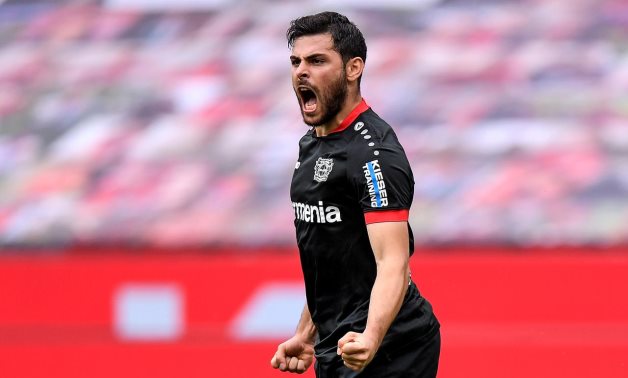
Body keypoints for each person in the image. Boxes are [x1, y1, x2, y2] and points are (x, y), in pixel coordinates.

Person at [271, 11, 440, 378]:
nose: (302, 71)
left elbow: (393, 263)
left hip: (393, 346)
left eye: (317, 61)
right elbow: (330, 263)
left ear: (353, 69)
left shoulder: (375, 153)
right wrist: (305, 333)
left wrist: (372, 336)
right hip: (339, 344)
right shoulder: (311, 145)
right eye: (296, 61)